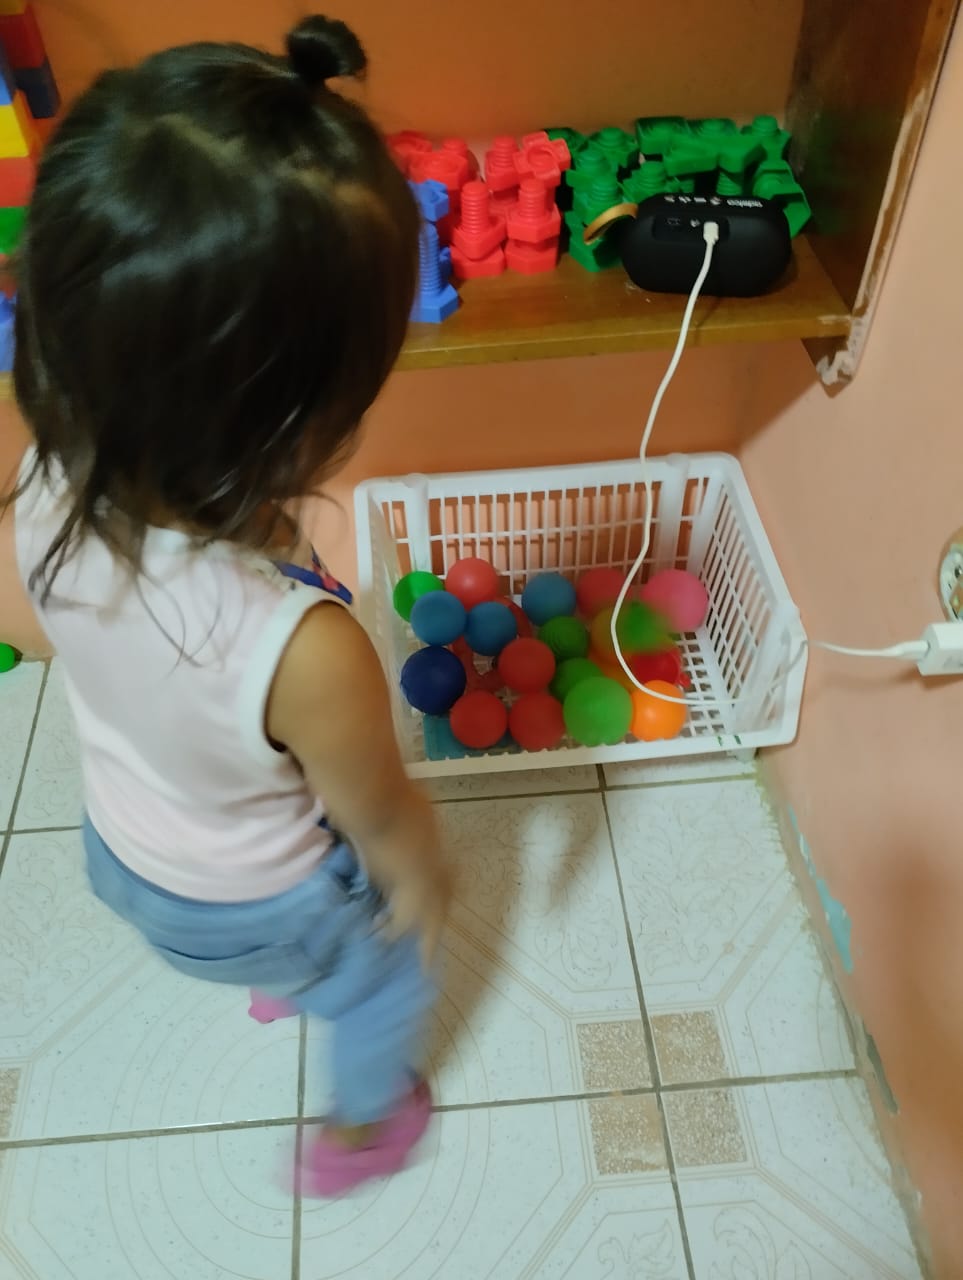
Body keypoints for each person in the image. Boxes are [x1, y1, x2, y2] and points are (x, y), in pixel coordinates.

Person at [1, 14, 451, 1196]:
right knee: (385, 975)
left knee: (285, 920)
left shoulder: (42, 483)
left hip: (124, 849)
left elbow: (64, 638)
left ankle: (280, 971)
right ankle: (360, 1128)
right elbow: (379, 815)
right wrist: (424, 876)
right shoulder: (309, 651)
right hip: (259, 895)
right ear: (302, 425)